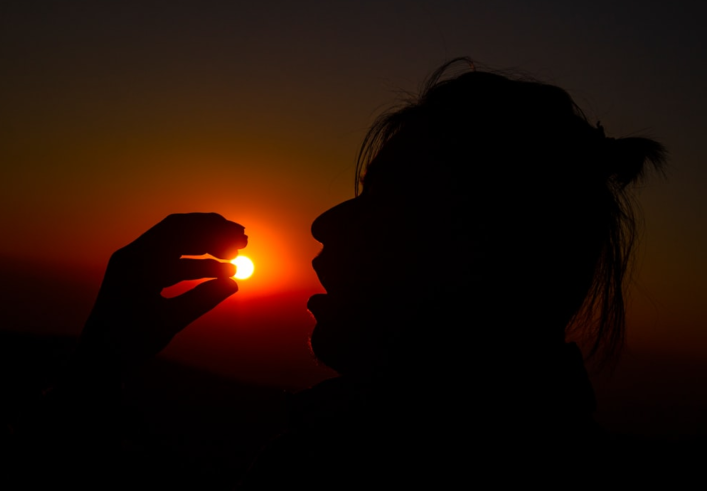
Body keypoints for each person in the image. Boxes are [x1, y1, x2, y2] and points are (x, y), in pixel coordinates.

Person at [58, 59, 666, 483]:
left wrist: (95, 370)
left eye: (387, 201)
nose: (326, 223)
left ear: (478, 253)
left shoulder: (335, 473)